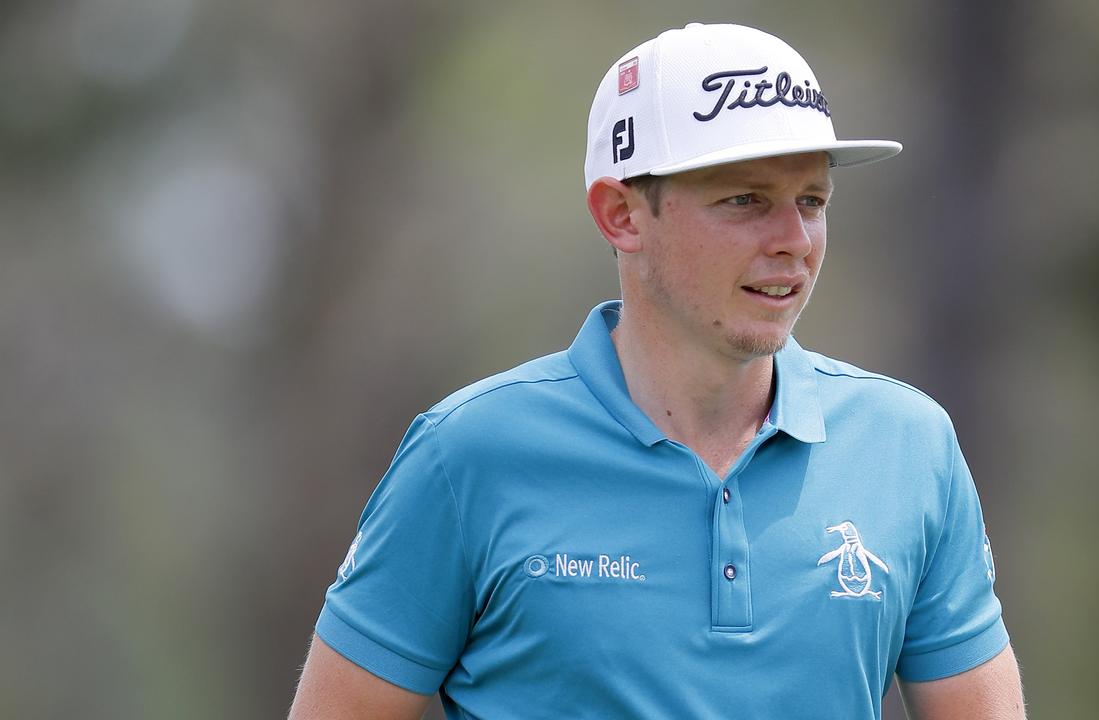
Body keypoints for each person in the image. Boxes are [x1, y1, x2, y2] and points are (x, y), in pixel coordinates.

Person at [289, 22, 1025, 720]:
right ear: (622, 215)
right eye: (745, 201)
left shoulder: (909, 447)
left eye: (812, 201)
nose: (794, 240)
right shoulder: (467, 455)